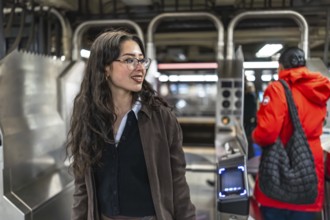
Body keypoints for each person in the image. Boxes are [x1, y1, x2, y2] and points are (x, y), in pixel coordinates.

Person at [66, 30, 196, 220]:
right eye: (129, 60)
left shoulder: (161, 118)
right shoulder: (89, 116)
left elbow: (178, 183)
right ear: (105, 68)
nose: (140, 68)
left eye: (141, 60)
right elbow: (82, 186)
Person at [252, 46, 330, 220]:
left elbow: (267, 133)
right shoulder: (319, 89)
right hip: (309, 166)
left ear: (281, 67)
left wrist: (255, 135)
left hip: (281, 169)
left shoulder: (277, 89)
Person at [243, 80, 258, 159]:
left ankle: (249, 155)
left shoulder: (249, 96)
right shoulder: (253, 96)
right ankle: (250, 155)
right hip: (250, 122)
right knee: (249, 140)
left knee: (248, 140)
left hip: (247, 122)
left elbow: (248, 111)